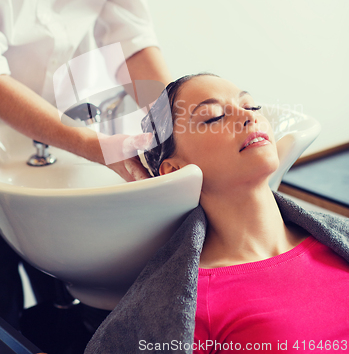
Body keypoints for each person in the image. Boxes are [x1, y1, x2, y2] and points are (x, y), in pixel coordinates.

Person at [0, 0, 171, 331]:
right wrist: (92, 145)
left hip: (80, 110)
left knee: (83, 301)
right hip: (30, 131)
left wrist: (171, 119)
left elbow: (130, 29)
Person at [84, 73, 349, 353]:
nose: (248, 117)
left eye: (250, 105)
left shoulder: (335, 242)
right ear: (175, 169)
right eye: (213, 117)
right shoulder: (193, 305)